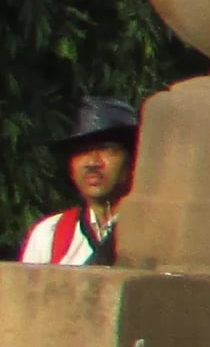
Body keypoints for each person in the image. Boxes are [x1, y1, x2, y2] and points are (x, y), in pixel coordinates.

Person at [21, 100, 137, 267]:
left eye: (107, 149)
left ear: (133, 161)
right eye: (82, 151)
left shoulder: (155, 232)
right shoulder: (50, 234)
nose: (92, 162)